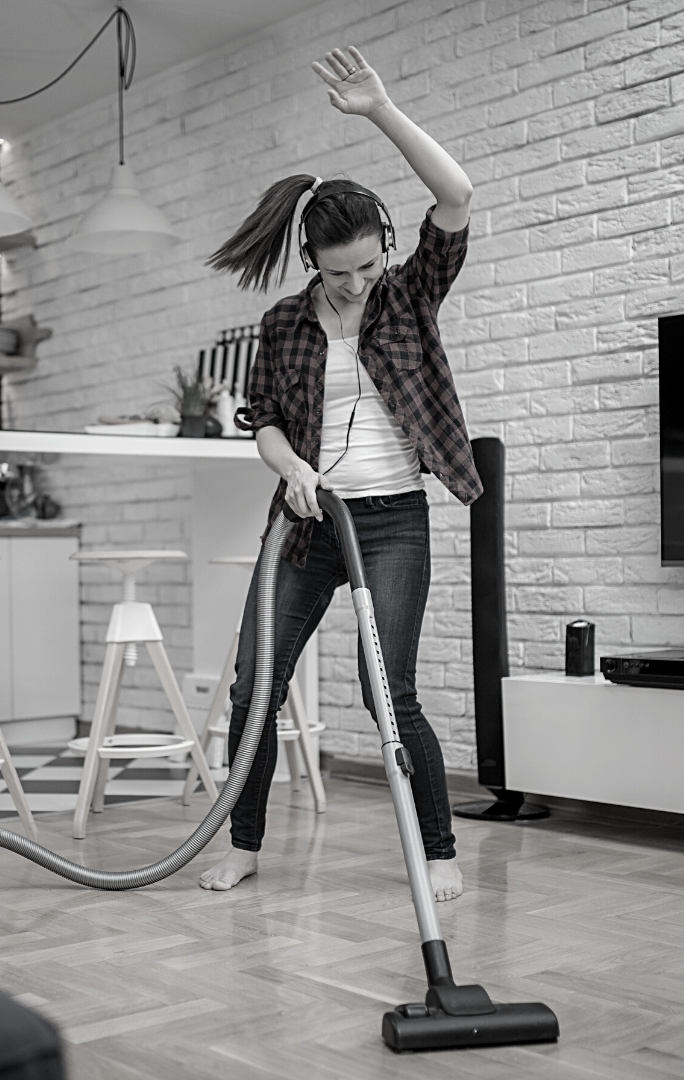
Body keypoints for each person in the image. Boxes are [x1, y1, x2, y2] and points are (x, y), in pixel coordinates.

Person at [199, 46, 479, 901]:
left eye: (367, 265)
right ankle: (243, 846)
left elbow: (457, 195)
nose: (356, 284)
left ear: (385, 248)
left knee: (386, 690)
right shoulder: (283, 321)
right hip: (307, 523)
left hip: (392, 521)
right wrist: (288, 468)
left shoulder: (408, 293)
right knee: (256, 682)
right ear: (311, 260)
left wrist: (381, 111)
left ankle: (437, 852)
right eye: (338, 271)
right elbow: (266, 422)